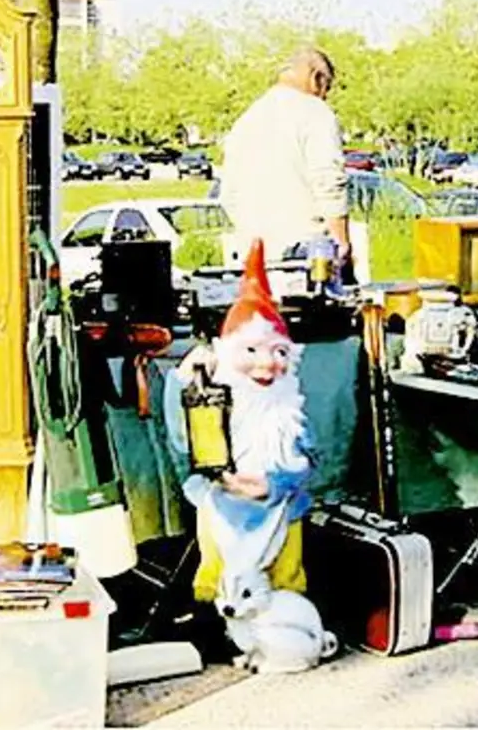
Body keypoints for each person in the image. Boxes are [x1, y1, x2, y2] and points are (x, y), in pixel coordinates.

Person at [172, 240, 315, 606]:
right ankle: (214, 625)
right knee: (215, 571)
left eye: (278, 352)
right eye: (251, 351)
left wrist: (274, 483)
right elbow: (180, 438)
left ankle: (287, 626)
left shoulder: (290, 409)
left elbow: (308, 459)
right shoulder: (212, 401)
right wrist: (181, 383)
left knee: (285, 575)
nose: (266, 365)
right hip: (223, 504)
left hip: (281, 506)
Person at [218, 47, 352, 271]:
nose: (325, 95)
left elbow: (228, 194)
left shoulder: (247, 119)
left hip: (254, 255)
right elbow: (328, 180)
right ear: (316, 78)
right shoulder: (315, 112)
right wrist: (341, 243)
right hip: (306, 251)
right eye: (327, 87)